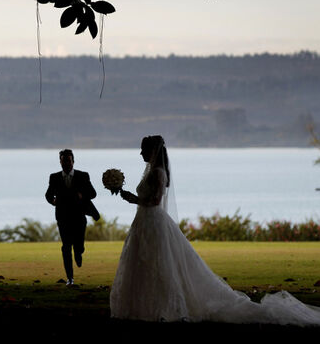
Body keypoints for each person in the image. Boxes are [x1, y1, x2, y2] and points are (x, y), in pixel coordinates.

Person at [109, 135, 320, 326]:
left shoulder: (158, 173)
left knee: (158, 263)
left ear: (153, 151)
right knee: (143, 263)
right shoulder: (152, 171)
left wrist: (133, 198)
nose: (140, 153)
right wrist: (130, 197)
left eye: (143, 149)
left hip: (153, 222)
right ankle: (142, 306)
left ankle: (162, 306)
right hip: (144, 222)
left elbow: (154, 201)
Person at [45, 149, 98, 285]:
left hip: (79, 216)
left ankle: (79, 252)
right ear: (60, 162)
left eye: (68, 160)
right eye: (63, 161)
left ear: (73, 161)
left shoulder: (83, 176)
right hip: (62, 217)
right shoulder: (54, 177)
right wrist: (53, 201)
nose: (66, 163)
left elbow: (93, 193)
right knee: (66, 247)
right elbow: (48, 195)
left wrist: (82, 195)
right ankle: (70, 278)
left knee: (78, 245)